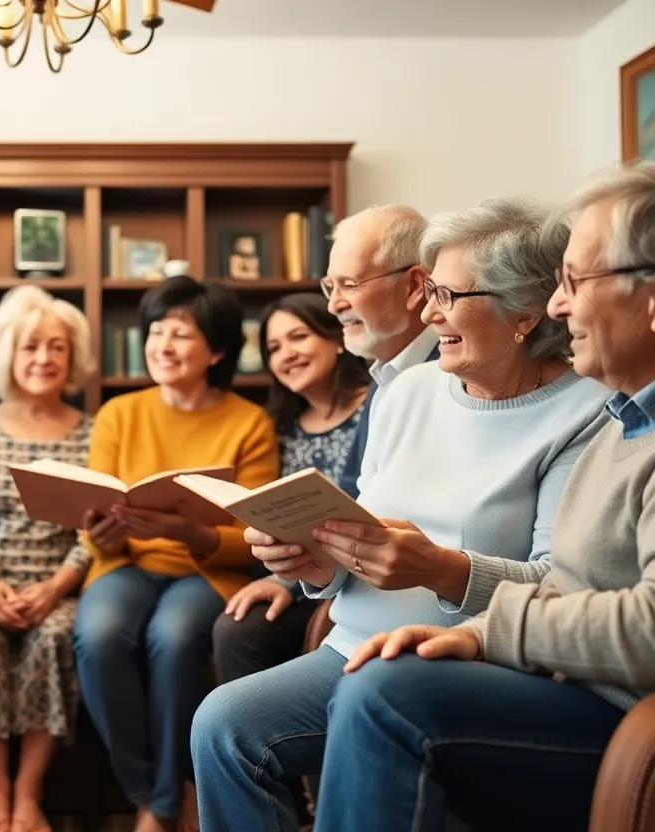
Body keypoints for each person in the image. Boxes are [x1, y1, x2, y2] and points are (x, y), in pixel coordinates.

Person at [191, 197, 613, 832]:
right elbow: (357, 530)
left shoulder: (584, 414)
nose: (428, 310)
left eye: (447, 293)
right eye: (429, 289)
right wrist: (313, 560)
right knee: (223, 724)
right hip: (351, 648)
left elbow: (561, 584)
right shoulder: (406, 390)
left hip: (469, 662)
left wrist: (444, 570)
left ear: (524, 312)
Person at [312, 163, 655, 832]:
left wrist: (488, 629)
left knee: (384, 698)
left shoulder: (601, 422)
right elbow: (565, 583)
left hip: (604, 705)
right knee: (357, 687)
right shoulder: (623, 423)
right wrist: (474, 635)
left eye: (576, 282)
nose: (560, 306)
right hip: (549, 677)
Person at [74, 275, 280, 832]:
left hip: (204, 571)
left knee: (174, 637)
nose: (162, 344)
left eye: (181, 334)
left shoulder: (249, 423)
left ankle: (160, 807)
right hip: (126, 565)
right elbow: (91, 517)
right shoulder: (120, 413)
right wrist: (102, 534)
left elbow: (256, 538)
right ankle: (157, 794)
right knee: (97, 635)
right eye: (156, 330)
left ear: (215, 350)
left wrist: (190, 532)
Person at [0, 285, 96, 832]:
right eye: (30, 346)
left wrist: (55, 588)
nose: (44, 358)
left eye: (57, 347)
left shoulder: (92, 432)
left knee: (55, 636)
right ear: (5, 354)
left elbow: (95, 532)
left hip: (61, 586)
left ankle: (29, 796)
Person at [214, 292, 371, 684]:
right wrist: (283, 577)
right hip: (297, 573)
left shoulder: (378, 405)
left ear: (337, 338)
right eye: (273, 347)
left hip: (362, 570)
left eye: (298, 337)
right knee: (237, 627)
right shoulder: (278, 428)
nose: (286, 354)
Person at [322, 205, 440, 498]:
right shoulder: (383, 374)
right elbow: (354, 492)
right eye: (330, 287)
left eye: (349, 285)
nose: (333, 305)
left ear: (414, 286)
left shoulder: (464, 375)